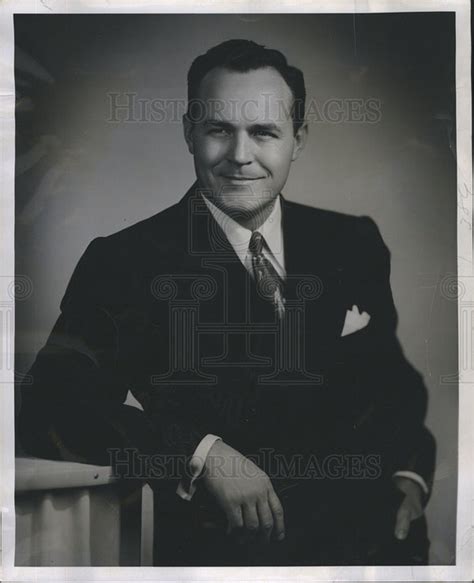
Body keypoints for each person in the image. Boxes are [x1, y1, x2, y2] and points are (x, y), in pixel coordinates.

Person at [17, 39, 435, 566]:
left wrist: (410, 474)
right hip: (234, 557)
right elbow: (50, 407)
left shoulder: (351, 241)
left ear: (298, 139)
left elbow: (392, 381)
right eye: (219, 129)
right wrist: (200, 452)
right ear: (189, 131)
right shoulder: (124, 262)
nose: (240, 157)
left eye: (264, 132)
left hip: (383, 550)